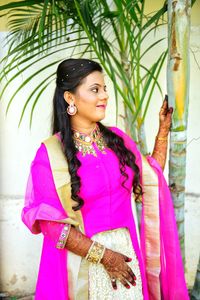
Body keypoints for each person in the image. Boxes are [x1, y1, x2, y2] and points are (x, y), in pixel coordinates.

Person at [22, 58, 189, 300]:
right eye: (95, 90)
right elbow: (52, 225)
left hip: (126, 256)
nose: (104, 96)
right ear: (70, 98)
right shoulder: (50, 154)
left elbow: (149, 179)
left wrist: (163, 132)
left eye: (104, 89)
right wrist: (106, 257)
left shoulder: (117, 140)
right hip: (81, 267)